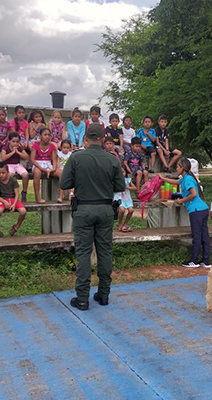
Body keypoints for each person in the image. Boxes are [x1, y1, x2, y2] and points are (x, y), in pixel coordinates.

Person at [60, 123, 125, 310]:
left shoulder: (76, 157)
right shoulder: (111, 158)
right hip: (105, 209)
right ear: (103, 139)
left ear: (85, 139)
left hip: (84, 209)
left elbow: (64, 183)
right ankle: (104, 295)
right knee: (105, 252)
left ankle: (82, 298)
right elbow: (120, 186)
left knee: (83, 253)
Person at [160, 158, 210, 268]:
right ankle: (206, 261)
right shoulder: (186, 178)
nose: (176, 168)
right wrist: (163, 178)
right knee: (204, 235)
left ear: (182, 168)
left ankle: (194, 261)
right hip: (203, 209)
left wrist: (182, 200)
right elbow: (176, 182)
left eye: (178, 166)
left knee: (197, 235)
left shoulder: (188, 179)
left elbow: (193, 194)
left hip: (196, 210)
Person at [0, 162, 27, 237]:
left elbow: (17, 194)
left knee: (23, 211)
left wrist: (14, 204)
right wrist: (4, 202)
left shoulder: (13, 180)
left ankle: (16, 227)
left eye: (3, 173)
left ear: (8, 172)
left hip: (13, 199)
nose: (1, 175)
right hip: (3, 199)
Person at [30, 127, 58, 204]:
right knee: (37, 173)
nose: (47, 137)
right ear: (40, 135)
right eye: (45, 135)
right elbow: (32, 159)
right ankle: (37, 197)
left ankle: (61, 196)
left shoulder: (52, 146)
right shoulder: (35, 145)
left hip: (48, 164)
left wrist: (53, 168)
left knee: (61, 173)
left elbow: (54, 160)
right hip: (37, 164)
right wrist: (41, 168)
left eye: (49, 135)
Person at [0, 132, 30, 202]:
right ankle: (9, 193)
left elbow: (27, 157)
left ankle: (24, 192)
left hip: (17, 164)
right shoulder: (5, 147)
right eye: (13, 141)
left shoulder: (19, 148)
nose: (15, 143)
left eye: (17, 142)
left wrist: (18, 152)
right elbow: (3, 158)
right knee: (10, 175)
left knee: (25, 174)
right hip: (8, 165)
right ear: (9, 141)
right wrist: (12, 152)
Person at [115, 167, 136, 232]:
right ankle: (120, 224)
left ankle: (125, 224)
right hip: (119, 197)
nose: (122, 174)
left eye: (123, 172)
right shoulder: (115, 180)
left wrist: (127, 187)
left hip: (127, 198)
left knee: (131, 210)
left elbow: (135, 188)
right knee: (122, 210)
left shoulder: (127, 180)